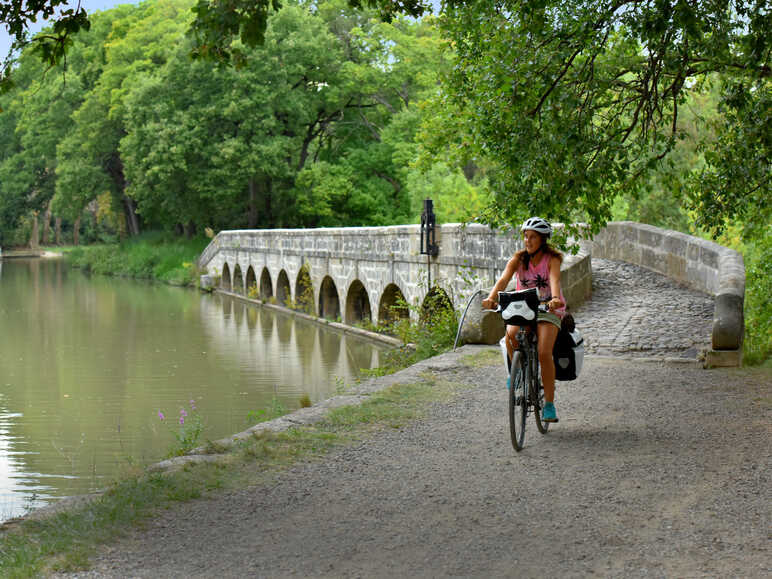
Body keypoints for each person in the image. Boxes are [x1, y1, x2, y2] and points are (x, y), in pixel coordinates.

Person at [481, 217, 566, 422]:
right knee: (511, 336)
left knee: (544, 352)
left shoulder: (552, 259)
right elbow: (503, 279)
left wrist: (555, 299)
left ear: (543, 239)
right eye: (526, 237)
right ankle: (519, 370)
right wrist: (491, 298)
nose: (528, 241)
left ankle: (549, 405)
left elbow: (554, 280)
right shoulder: (518, 259)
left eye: (533, 237)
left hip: (548, 309)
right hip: (524, 307)